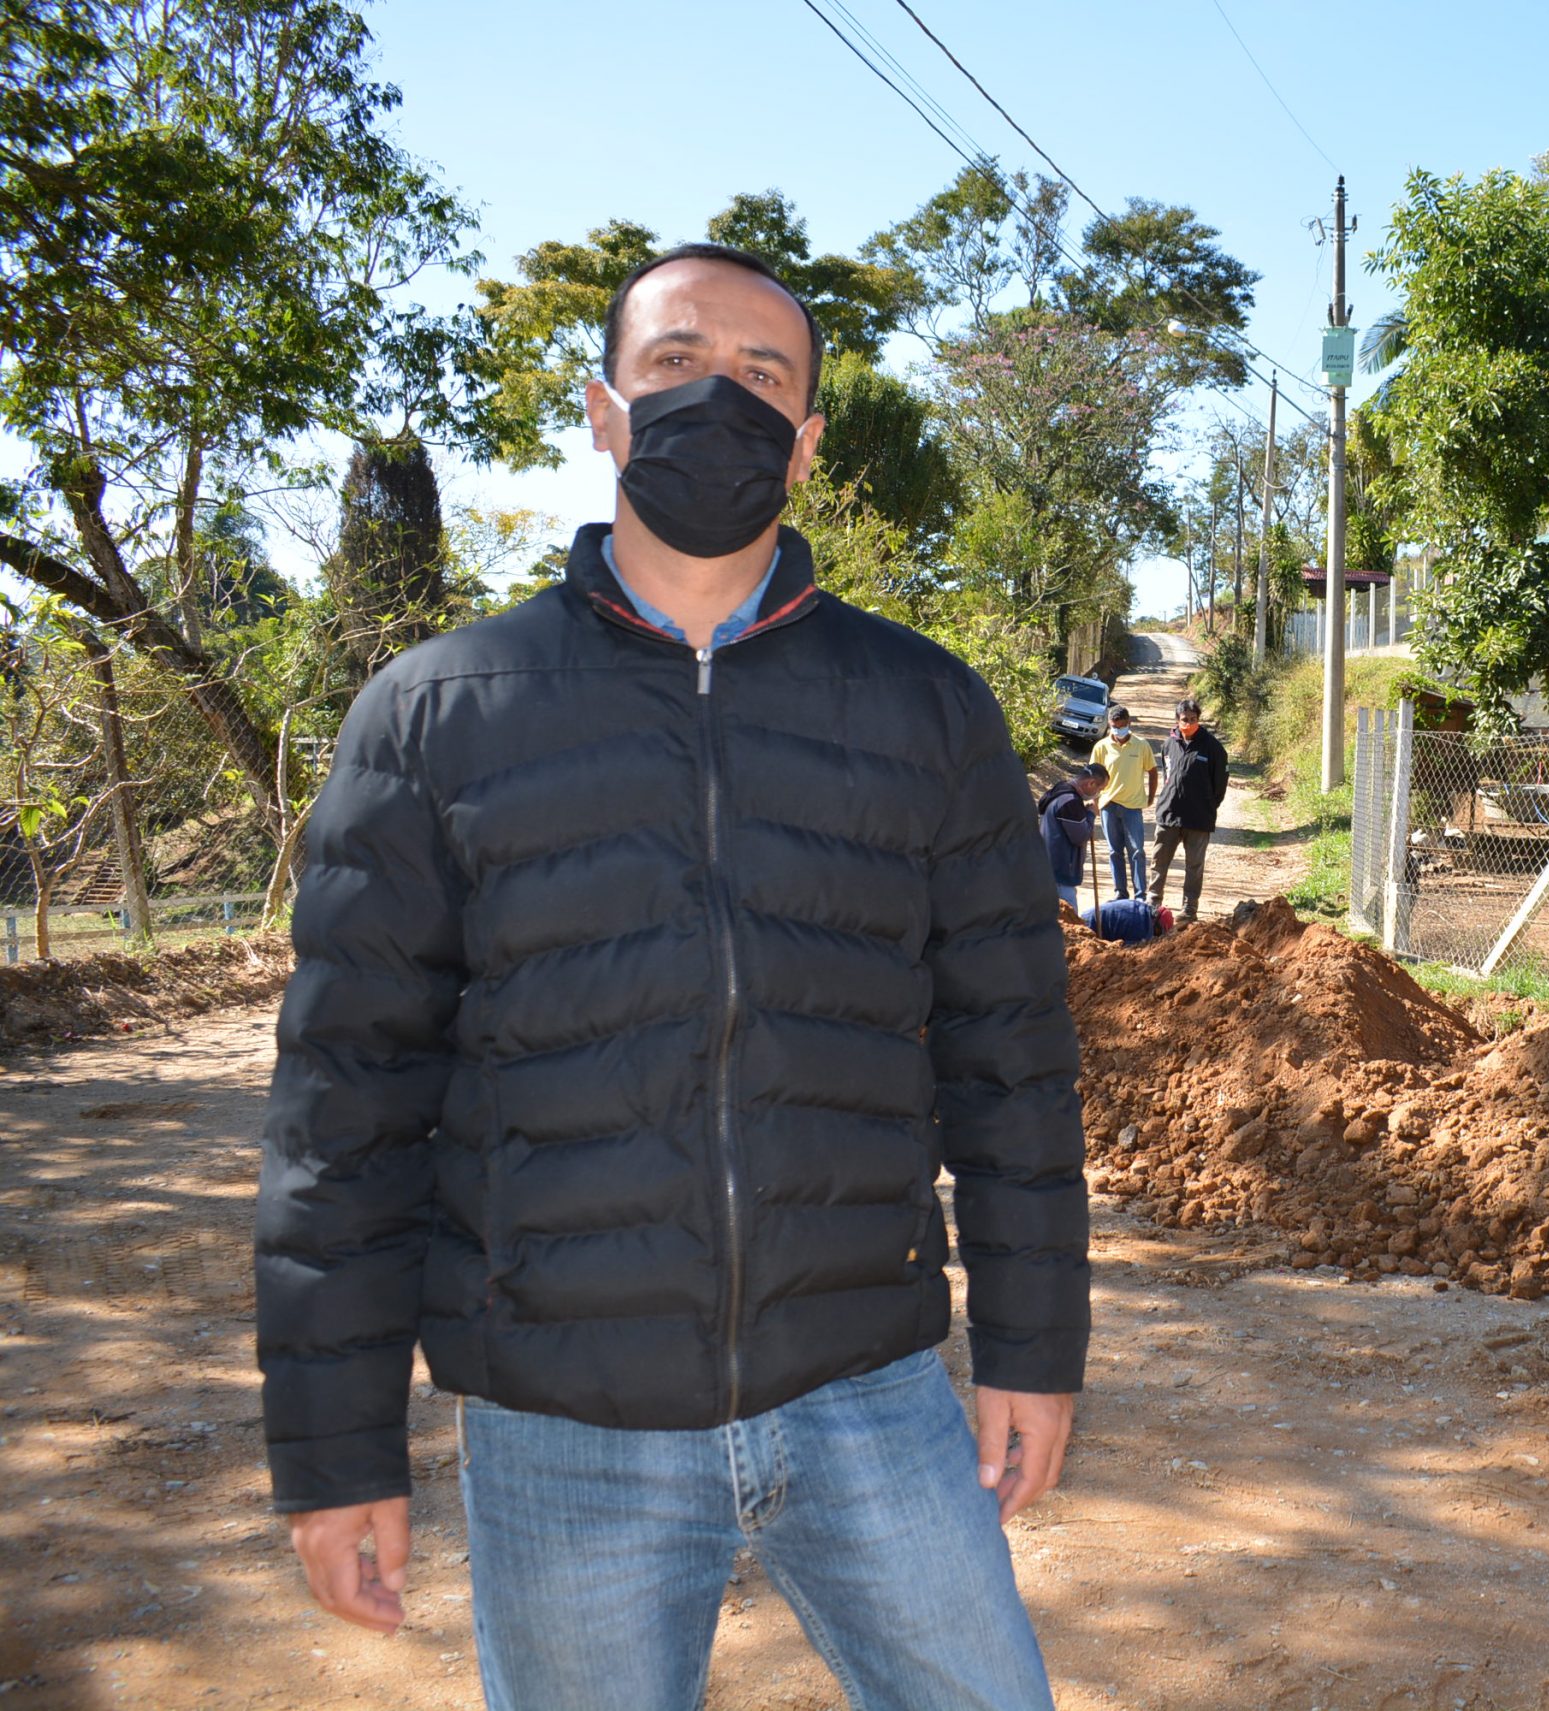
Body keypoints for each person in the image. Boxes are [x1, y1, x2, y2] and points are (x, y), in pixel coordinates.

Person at [255, 241, 1085, 1711]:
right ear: (605, 410)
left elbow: (1007, 1058)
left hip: (871, 1392)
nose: (721, 396)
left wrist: (1034, 1344)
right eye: (676, 363)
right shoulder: (440, 712)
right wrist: (335, 1452)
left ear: (810, 440)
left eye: (765, 376)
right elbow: (347, 1107)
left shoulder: (927, 709)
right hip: (561, 1427)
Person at [1149, 698, 1229, 924]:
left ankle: (1189, 907)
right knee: (1159, 860)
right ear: (1177, 720)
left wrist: (1207, 806)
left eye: (1193, 719)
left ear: (1199, 720)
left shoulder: (1212, 747)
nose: (1189, 723)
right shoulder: (1168, 744)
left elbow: (1219, 785)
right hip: (1168, 815)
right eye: (1185, 720)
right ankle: (1153, 901)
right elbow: (1167, 775)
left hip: (1198, 819)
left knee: (1194, 865)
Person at [1086, 703, 1155, 901]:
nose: (1118, 729)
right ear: (1109, 724)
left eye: (1122, 725)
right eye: (1114, 726)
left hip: (1133, 807)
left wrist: (1150, 798)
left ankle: (1140, 894)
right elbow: (1093, 776)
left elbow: (1152, 771)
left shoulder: (1141, 745)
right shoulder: (1101, 747)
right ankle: (1120, 892)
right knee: (1115, 851)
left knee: (1137, 851)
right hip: (1109, 805)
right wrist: (1094, 802)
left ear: (1129, 723)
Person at [1037, 766, 1107, 907]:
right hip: (1060, 871)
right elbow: (1080, 836)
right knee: (1070, 921)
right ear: (1091, 783)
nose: (1098, 794)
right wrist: (1091, 814)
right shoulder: (1070, 801)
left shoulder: (1061, 794)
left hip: (1050, 867)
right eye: (1099, 789)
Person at [1078, 899, 1175, 944]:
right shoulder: (1142, 928)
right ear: (1156, 925)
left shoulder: (1139, 906)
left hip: (1087, 915)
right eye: (1158, 933)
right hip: (1091, 927)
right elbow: (1126, 950)